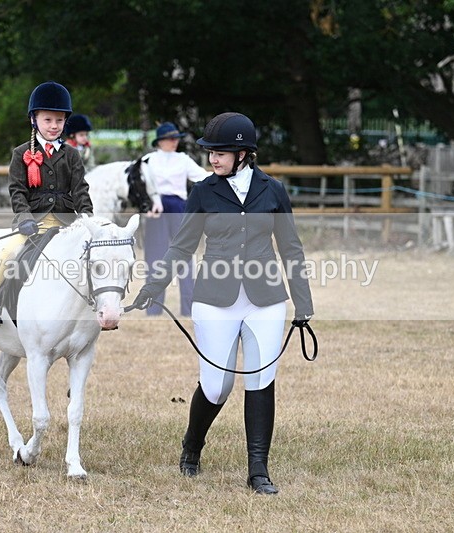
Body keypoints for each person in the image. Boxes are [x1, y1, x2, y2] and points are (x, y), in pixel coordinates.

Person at [132, 112, 314, 495]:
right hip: (215, 299)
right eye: (211, 152)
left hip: (265, 299)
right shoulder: (203, 191)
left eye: (221, 152)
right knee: (217, 386)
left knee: (261, 378)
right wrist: (154, 285)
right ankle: (192, 446)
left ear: (244, 153)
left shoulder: (273, 190)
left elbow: (291, 248)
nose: (213, 159)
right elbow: (181, 245)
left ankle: (258, 470)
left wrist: (303, 303)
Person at [0, 81, 93, 327]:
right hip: (33, 223)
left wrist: (87, 217)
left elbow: (81, 189)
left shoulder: (72, 155)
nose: (54, 126)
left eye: (59, 121)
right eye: (48, 120)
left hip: (66, 223)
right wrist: (24, 217)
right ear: (34, 119)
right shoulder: (21, 154)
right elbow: (17, 190)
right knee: (9, 252)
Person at [141, 121, 210, 317]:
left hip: (179, 207)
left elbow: (201, 177)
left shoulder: (183, 159)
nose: (174, 142)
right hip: (156, 208)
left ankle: (188, 309)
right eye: (170, 139)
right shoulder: (148, 160)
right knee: (155, 257)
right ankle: (153, 308)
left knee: (184, 256)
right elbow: (137, 182)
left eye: (176, 139)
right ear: (160, 141)